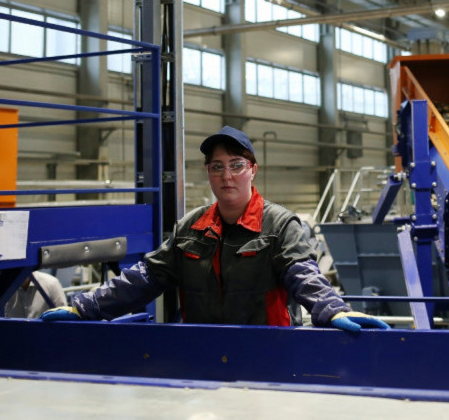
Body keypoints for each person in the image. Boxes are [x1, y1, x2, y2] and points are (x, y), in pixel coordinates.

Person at [42, 126, 388, 333]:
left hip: (269, 352)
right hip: (202, 350)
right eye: (217, 167)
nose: (227, 176)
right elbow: (146, 276)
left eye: (236, 165)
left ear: (252, 170)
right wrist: (84, 307)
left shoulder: (280, 225)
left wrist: (333, 309)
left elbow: (303, 274)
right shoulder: (190, 228)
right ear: (208, 172)